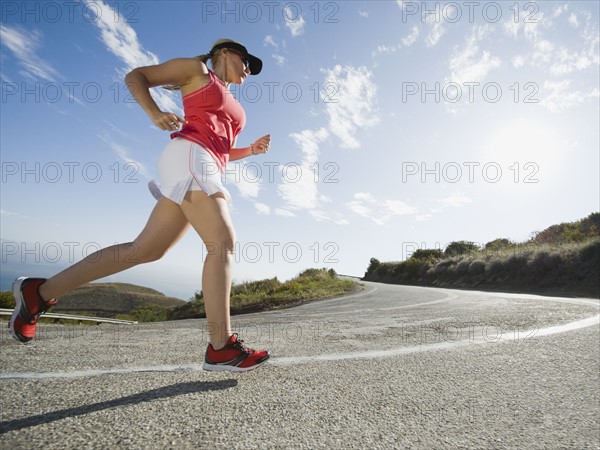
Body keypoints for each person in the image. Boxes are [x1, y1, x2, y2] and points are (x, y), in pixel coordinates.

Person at [9, 38, 271, 372]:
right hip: (190, 157)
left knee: (144, 250)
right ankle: (221, 346)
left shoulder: (231, 99)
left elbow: (221, 148)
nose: (248, 70)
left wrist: (250, 151)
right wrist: (155, 113)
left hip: (204, 163)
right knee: (222, 243)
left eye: (251, 68)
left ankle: (39, 293)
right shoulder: (198, 71)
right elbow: (136, 76)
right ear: (224, 52)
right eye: (245, 61)